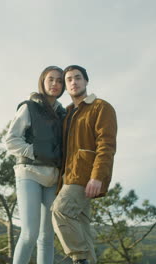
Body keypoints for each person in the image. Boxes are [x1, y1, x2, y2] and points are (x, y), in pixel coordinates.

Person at [51, 65, 117, 264]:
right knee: (82, 227)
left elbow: (106, 144)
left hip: (85, 176)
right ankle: (87, 259)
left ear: (86, 81)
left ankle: (79, 259)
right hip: (67, 177)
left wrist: (97, 176)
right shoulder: (67, 113)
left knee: (60, 210)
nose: (73, 82)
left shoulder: (101, 107)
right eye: (69, 79)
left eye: (77, 78)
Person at [5, 66, 66, 264]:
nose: (55, 84)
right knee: (30, 233)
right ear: (43, 81)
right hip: (29, 173)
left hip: (53, 178)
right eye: (51, 79)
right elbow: (11, 140)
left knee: (47, 237)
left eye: (59, 80)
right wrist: (34, 152)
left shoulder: (64, 114)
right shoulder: (29, 107)